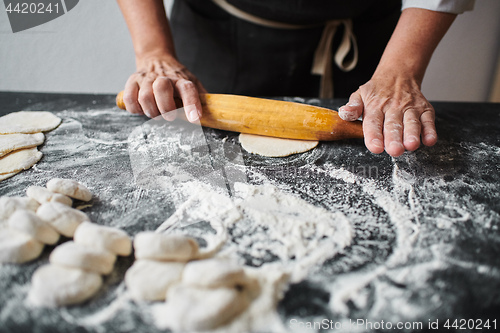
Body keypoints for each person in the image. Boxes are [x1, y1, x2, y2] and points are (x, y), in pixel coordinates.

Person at [116, 0, 475, 157]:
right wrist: (153, 51)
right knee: (201, 143)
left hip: (366, 34)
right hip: (221, 32)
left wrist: (401, 69)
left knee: (372, 127)